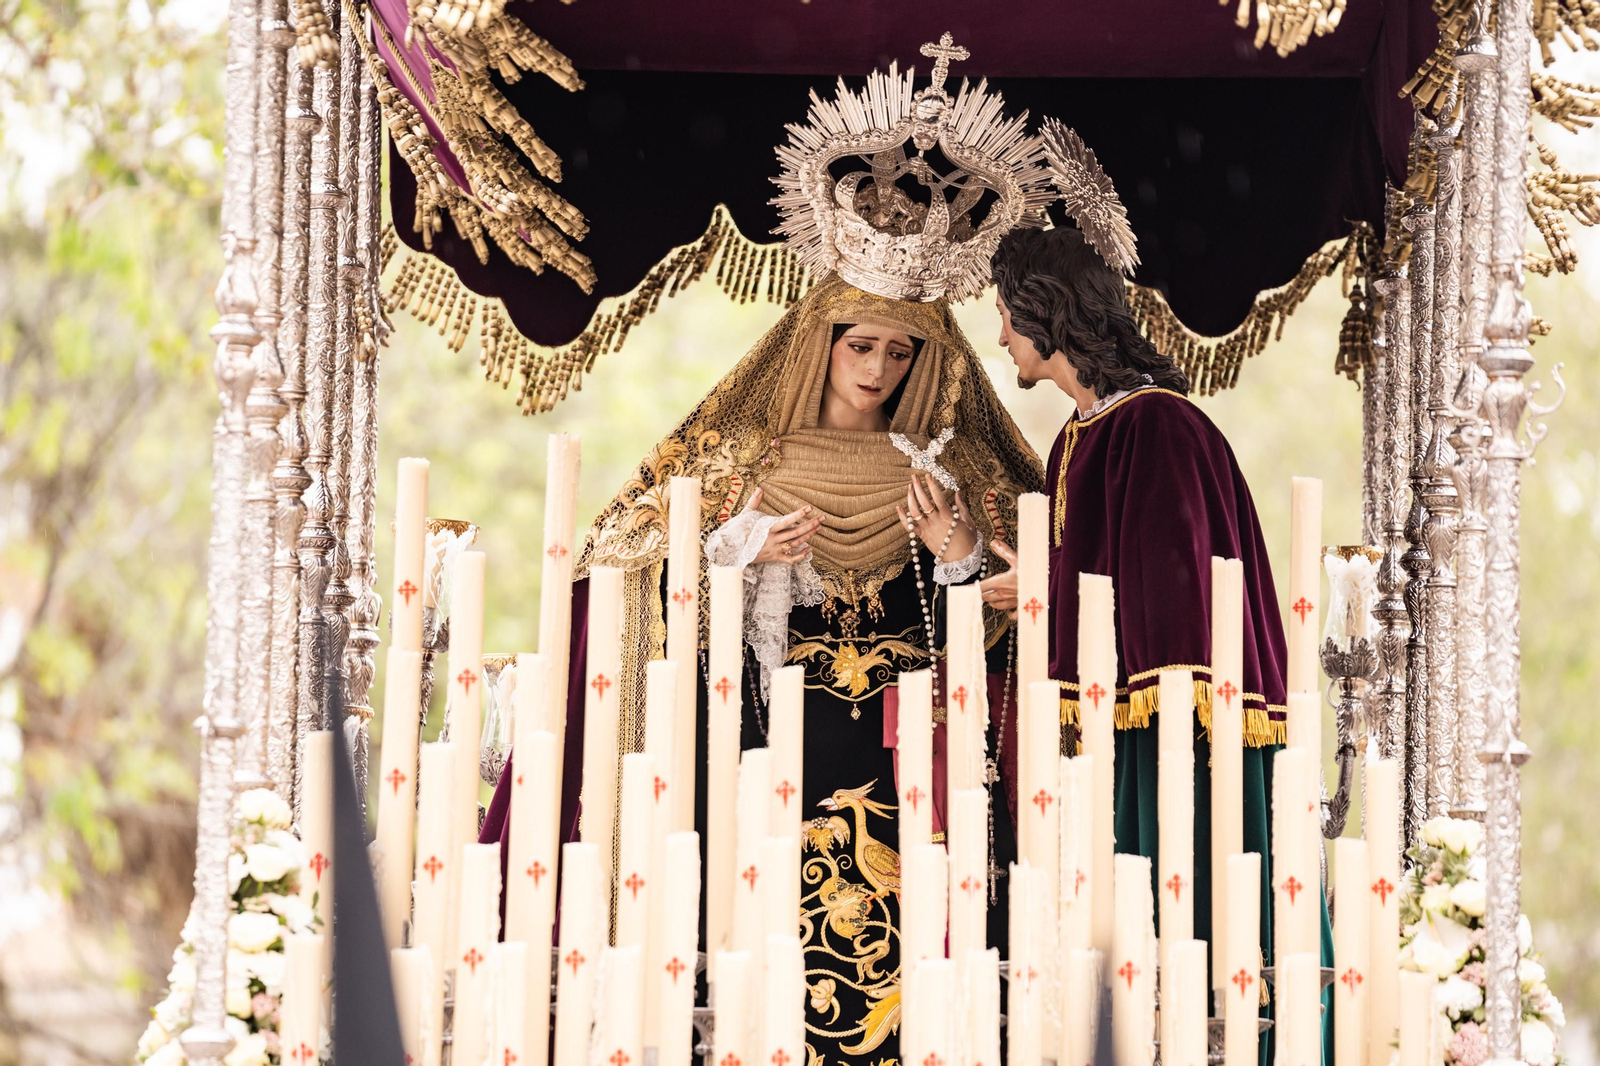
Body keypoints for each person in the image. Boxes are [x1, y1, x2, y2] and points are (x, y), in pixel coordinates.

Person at [979, 222, 1333, 1055]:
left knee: (1193, 928)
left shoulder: (1158, 427)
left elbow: (1171, 599)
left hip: (1180, 736)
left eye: (1001, 312)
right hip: (1115, 734)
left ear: (1042, 311)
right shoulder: (1085, 432)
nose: (998, 335)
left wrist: (1046, 587)